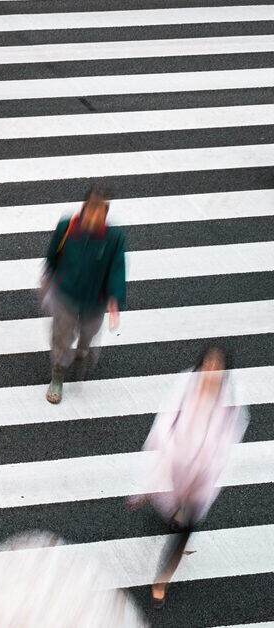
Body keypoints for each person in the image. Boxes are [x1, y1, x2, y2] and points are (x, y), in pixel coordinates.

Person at [127, 346, 247, 609]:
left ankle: (162, 580)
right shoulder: (186, 384)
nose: (212, 371)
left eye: (218, 366)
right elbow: (164, 421)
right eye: (209, 364)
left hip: (201, 480)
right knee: (166, 514)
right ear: (201, 364)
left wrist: (206, 472)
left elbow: (226, 447)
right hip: (173, 467)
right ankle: (170, 512)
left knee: (184, 531)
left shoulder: (230, 406)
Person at [41, 185, 125, 404]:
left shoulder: (113, 237)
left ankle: (83, 347)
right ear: (84, 208)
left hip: (95, 301)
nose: (95, 216)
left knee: (90, 331)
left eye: (101, 211)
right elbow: (52, 255)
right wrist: (49, 277)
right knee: (62, 338)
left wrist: (114, 298)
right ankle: (58, 376)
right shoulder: (67, 228)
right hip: (66, 296)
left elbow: (117, 268)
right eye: (92, 210)